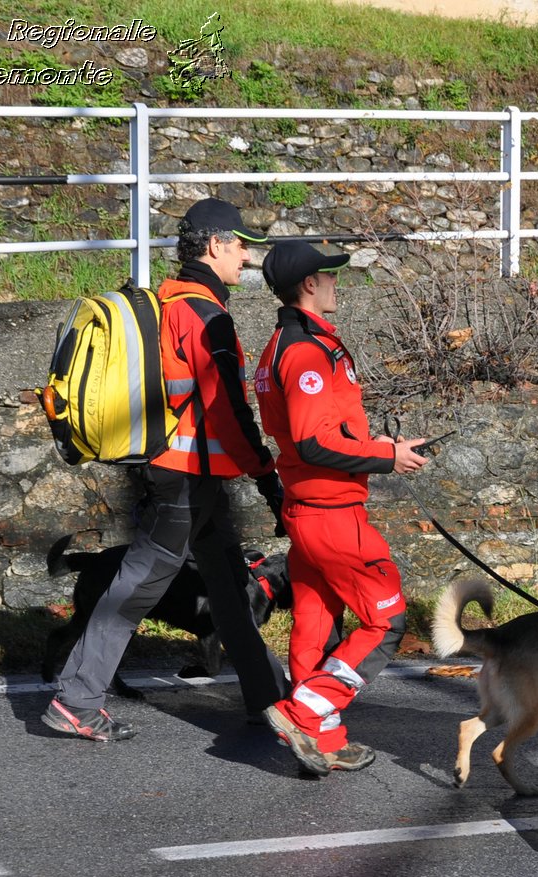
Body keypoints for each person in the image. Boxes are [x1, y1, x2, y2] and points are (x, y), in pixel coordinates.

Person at [43, 197, 291, 742]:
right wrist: (267, 475)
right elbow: (227, 409)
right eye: (241, 244)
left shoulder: (169, 300)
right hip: (186, 478)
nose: (246, 256)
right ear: (215, 244)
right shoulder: (206, 314)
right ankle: (76, 700)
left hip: (190, 477)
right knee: (136, 588)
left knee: (228, 589)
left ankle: (271, 700)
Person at [252, 240, 430, 776]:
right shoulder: (305, 351)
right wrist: (384, 455)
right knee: (387, 621)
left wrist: (370, 444)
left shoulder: (283, 344)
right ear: (309, 284)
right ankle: (304, 713)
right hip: (333, 515)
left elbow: (323, 433)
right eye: (329, 276)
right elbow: (311, 442)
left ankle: (323, 739)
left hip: (310, 509)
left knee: (314, 622)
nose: (336, 284)